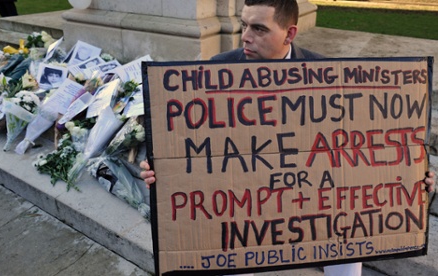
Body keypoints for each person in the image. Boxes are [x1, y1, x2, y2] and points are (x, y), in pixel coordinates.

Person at [139, 1, 437, 275]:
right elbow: (195, 148)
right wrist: (164, 172)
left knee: (349, 248)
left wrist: (411, 174)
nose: (245, 36)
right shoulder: (217, 69)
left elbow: (358, 149)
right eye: (244, 25)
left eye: (259, 28)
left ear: (289, 33)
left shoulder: (325, 75)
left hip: (310, 199)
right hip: (243, 204)